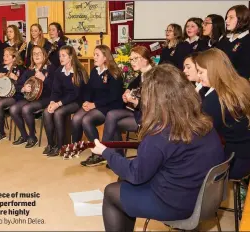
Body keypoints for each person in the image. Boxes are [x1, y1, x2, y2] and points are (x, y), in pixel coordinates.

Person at [94, 64, 225, 232]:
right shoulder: (203, 121)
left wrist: (106, 153)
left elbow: (136, 174)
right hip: (204, 196)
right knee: (124, 180)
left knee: (111, 193)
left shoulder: (161, 133)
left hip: (176, 203)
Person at [83, 46, 154, 167]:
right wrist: (127, 94)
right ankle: (117, 155)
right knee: (112, 116)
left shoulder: (154, 75)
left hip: (149, 115)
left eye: (135, 59)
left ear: (145, 59)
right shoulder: (141, 74)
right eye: (131, 59)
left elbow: (153, 104)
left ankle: (104, 152)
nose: (132, 62)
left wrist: (135, 101)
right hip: (137, 110)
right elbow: (131, 87)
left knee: (112, 116)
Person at [196, 48, 250, 180]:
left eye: (201, 72)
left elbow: (198, 132)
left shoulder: (215, 98)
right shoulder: (242, 83)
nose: (198, 76)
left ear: (213, 70)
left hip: (234, 162)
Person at [72, 45, 124, 165]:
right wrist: (86, 101)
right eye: (94, 54)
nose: (94, 57)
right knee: (77, 118)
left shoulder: (114, 73)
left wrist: (94, 104)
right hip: (96, 104)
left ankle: (98, 153)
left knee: (86, 120)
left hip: (110, 106)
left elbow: (114, 96)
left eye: (97, 55)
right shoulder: (95, 71)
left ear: (105, 58)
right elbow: (89, 90)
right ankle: (76, 147)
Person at [43, 45, 88, 156]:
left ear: (71, 57)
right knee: (47, 112)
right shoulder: (59, 71)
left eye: (63, 55)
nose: (61, 58)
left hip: (77, 101)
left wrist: (58, 104)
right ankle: (51, 144)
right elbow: (55, 90)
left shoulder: (79, 71)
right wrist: (52, 102)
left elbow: (75, 94)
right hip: (61, 100)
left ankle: (61, 145)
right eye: (59, 56)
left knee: (58, 113)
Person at [10, 45, 56, 148]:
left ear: (44, 55)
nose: (36, 55)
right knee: (13, 109)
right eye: (34, 54)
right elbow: (17, 85)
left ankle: (32, 136)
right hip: (31, 98)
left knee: (26, 109)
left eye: (39, 53)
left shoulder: (51, 69)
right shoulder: (29, 70)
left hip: (46, 98)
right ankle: (24, 135)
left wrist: (44, 78)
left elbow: (55, 88)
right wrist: (23, 88)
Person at [0, 47, 26, 141]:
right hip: (1, 94)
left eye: (7, 55)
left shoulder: (20, 69)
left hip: (15, 95)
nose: (4, 57)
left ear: (14, 58)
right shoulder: (1, 68)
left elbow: (25, 84)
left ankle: (1, 132)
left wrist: (16, 78)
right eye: (4, 55)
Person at [216, 5, 250, 79]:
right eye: (227, 17)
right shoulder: (225, 39)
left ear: (242, 20)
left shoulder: (248, 42)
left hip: (235, 86)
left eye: (231, 17)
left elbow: (243, 74)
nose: (226, 20)